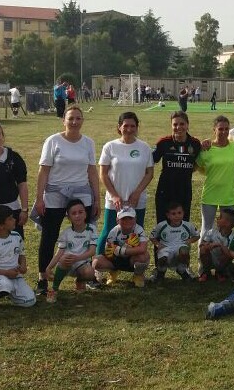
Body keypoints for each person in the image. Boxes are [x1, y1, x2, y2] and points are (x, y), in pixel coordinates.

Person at [34, 106, 100, 296]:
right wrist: (40, 198)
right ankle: (42, 278)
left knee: (85, 234)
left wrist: (96, 198)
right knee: (49, 236)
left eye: (78, 118)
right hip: (55, 192)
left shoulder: (88, 142)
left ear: (82, 121)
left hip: (81, 192)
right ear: (64, 120)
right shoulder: (53, 141)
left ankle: (87, 275)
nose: (74, 122)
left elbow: (92, 171)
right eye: (71, 118)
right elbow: (44, 170)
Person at [97, 112, 154, 259]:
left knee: (135, 234)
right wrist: (115, 195)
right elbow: (103, 174)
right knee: (109, 231)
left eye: (132, 126)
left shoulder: (144, 147)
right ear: (119, 127)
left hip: (137, 200)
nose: (129, 129)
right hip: (115, 200)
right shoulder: (110, 146)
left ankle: (133, 268)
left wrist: (137, 193)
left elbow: (149, 173)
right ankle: (100, 266)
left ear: (137, 127)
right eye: (125, 126)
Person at [0, 205, 36, 309]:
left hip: (15, 275)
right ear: (0, 225)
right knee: (5, 286)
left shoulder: (16, 236)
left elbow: (21, 254)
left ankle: (11, 292)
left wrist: (23, 266)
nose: (14, 220)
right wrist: (6, 273)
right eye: (10, 218)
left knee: (29, 301)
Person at [44, 200, 98, 303]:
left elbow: (92, 251)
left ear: (85, 214)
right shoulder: (66, 233)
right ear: (69, 218)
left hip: (81, 263)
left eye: (80, 212)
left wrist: (77, 258)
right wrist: (49, 267)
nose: (77, 216)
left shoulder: (92, 229)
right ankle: (54, 290)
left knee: (90, 272)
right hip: (67, 263)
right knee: (64, 257)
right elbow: (59, 253)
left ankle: (80, 281)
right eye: (73, 213)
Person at [152, 111, 202, 223]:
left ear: (187, 125)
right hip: (165, 190)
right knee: (163, 224)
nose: (178, 127)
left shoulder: (195, 144)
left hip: (184, 190)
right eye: (175, 124)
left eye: (182, 124)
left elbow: (198, 162)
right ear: (171, 125)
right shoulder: (164, 143)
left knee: (182, 224)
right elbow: (151, 160)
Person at [196, 116, 234, 241]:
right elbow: (197, 166)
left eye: (226, 129)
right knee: (207, 228)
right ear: (214, 130)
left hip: (228, 194)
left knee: (227, 229)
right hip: (210, 193)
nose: (224, 132)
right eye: (220, 129)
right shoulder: (206, 149)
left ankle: (224, 258)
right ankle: (202, 259)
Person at [93, 206, 150, 288]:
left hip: (132, 259)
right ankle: (113, 272)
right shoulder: (114, 231)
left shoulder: (138, 229)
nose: (127, 221)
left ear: (135, 218)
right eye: (123, 218)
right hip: (117, 260)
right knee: (96, 261)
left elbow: (143, 248)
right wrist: (111, 252)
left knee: (144, 256)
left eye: (130, 218)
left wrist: (122, 250)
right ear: (117, 220)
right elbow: (108, 251)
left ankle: (138, 275)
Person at [149, 202, 200, 282]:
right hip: (166, 248)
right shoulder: (161, 225)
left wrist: (189, 241)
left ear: (183, 213)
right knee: (163, 259)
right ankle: (160, 273)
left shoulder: (188, 225)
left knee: (184, 251)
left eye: (179, 213)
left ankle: (182, 270)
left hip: (180, 248)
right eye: (173, 214)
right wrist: (158, 244)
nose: (177, 216)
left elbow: (197, 235)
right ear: (168, 215)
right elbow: (152, 237)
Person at [197, 208, 234, 282]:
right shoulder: (211, 232)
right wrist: (207, 245)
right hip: (210, 258)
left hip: (222, 261)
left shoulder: (233, 237)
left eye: (220, 217)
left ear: (227, 223)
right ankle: (206, 272)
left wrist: (219, 245)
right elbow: (201, 245)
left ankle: (220, 272)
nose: (217, 218)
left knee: (227, 255)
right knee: (203, 249)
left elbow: (230, 254)